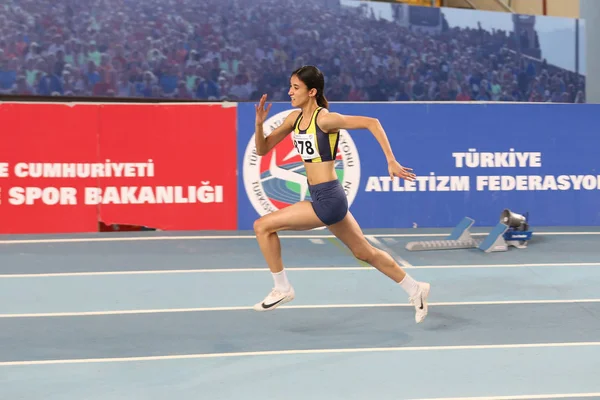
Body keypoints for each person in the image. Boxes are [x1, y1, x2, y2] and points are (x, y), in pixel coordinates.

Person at [252, 65, 431, 323]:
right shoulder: (293, 119)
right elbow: (262, 149)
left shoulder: (324, 119)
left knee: (262, 226)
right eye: (290, 86)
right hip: (323, 196)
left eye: (296, 88)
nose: (289, 92)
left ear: (312, 92)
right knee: (364, 252)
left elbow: (373, 123)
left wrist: (390, 160)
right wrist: (259, 125)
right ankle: (416, 288)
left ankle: (282, 288)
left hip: (329, 200)